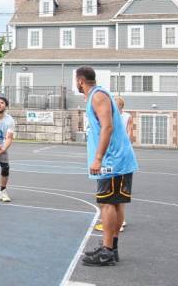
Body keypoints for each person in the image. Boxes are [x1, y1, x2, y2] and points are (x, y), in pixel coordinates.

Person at [75, 66, 138, 267]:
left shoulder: (98, 96)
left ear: (80, 80)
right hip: (117, 159)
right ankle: (110, 248)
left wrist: (98, 158)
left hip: (112, 160)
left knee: (107, 203)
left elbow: (108, 126)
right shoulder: (98, 95)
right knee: (115, 202)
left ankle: (107, 251)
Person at [95, 95, 133, 233]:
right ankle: (119, 223)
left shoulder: (112, 118)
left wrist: (99, 157)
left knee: (107, 199)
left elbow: (113, 133)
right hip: (121, 156)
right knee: (117, 197)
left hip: (114, 158)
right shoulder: (124, 116)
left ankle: (114, 225)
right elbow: (129, 134)